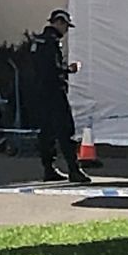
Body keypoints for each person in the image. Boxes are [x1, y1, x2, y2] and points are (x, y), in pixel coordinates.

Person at [30, 9, 91, 184]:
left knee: (46, 132)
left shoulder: (37, 41)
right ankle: (74, 169)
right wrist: (69, 69)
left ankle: (49, 169)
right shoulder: (51, 43)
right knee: (65, 130)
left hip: (39, 93)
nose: (65, 31)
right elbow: (52, 68)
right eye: (65, 26)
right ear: (58, 22)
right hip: (54, 92)